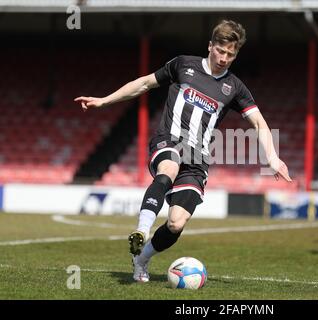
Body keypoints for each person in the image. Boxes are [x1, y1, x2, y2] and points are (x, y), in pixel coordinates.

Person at [74, 20, 292, 282]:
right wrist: (104, 100)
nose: (224, 58)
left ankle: (141, 257)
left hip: (197, 158)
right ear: (210, 46)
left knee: (177, 223)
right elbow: (144, 83)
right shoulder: (183, 65)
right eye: (220, 51)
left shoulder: (234, 87)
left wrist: (273, 157)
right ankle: (141, 230)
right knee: (168, 168)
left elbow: (258, 122)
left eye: (230, 54)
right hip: (169, 139)